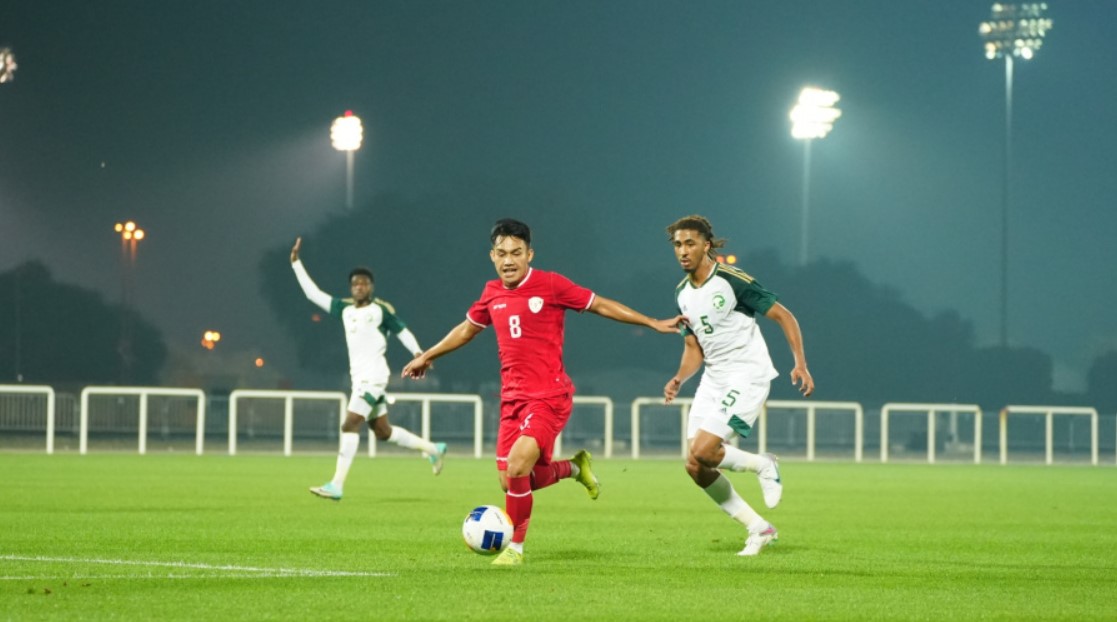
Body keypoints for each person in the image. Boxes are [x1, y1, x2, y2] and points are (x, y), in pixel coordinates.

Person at [402, 218, 683, 566]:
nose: (509, 260)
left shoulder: (550, 285)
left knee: (519, 465)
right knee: (510, 481)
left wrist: (652, 322)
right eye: (502, 253)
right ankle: (575, 469)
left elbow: (600, 304)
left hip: (549, 396)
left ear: (529, 254)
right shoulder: (491, 292)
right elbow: (466, 330)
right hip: (512, 400)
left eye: (516, 253)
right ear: (492, 255)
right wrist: (427, 356)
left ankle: (514, 549)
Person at [662, 215, 814, 557]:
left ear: (706, 245)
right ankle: (759, 529)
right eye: (677, 245)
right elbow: (693, 348)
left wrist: (800, 363)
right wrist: (678, 379)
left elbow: (784, 315)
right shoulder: (682, 294)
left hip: (747, 373)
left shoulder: (731, 280)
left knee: (704, 450)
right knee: (695, 465)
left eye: (690, 244)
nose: (683, 251)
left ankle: (764, 465)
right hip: (714, 379)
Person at [290, 236, 448, 501]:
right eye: (355, 284)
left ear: (371, 287)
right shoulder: (344, 309)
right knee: (382, 431)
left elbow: (402, 331)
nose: (359, 287)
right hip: (360, 379)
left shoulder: (380, 311)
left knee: (350, 423)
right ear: (351, 288)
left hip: (373, 378)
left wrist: (419, 353)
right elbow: (312, 294)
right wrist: (296, 264)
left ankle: (336, 485)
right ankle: (433, 448)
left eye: (364, 283)